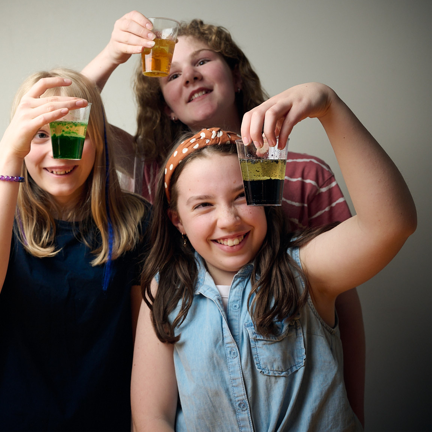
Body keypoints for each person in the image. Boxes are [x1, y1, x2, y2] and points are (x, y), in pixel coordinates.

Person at [82, 13, 365, 421]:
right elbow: (71, 118)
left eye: (201, 62)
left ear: (235, 75)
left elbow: (343, 301)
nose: (190, 77)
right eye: (173, 75)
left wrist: (354, 405)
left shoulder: (305, 174)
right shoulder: (151, 167)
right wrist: (112, 55)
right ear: (165, 108)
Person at [131, 81, 416, 429]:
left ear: (263, 195)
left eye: (241, 196)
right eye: (203, 205)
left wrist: (329, 107)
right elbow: (151, 417)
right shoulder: (165, 290)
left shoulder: (307, 268)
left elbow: (392, 224)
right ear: (177, 221)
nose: (228, 220)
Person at [0, 68, 149, 431]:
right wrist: (10, 151)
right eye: (39, 134)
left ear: (99, 140)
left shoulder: (138, 221)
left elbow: (145, 351)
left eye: (74, 132)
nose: (60, 150)